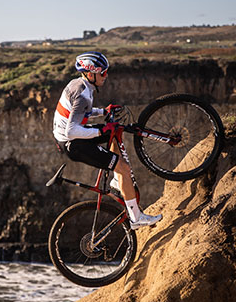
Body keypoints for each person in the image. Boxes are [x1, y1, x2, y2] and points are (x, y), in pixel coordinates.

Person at [53, 51, 162, 229]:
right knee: (124, 167)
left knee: (115, 130)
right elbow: (72, 131)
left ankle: (118, 179)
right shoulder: (82, 94)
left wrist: (103, 112)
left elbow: (83, 111)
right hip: (74, 143)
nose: (106, 75)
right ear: (91, 73)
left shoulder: (79, 85)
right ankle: (136, 218)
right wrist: (102, 130)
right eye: (102, 72)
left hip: (68, 138)